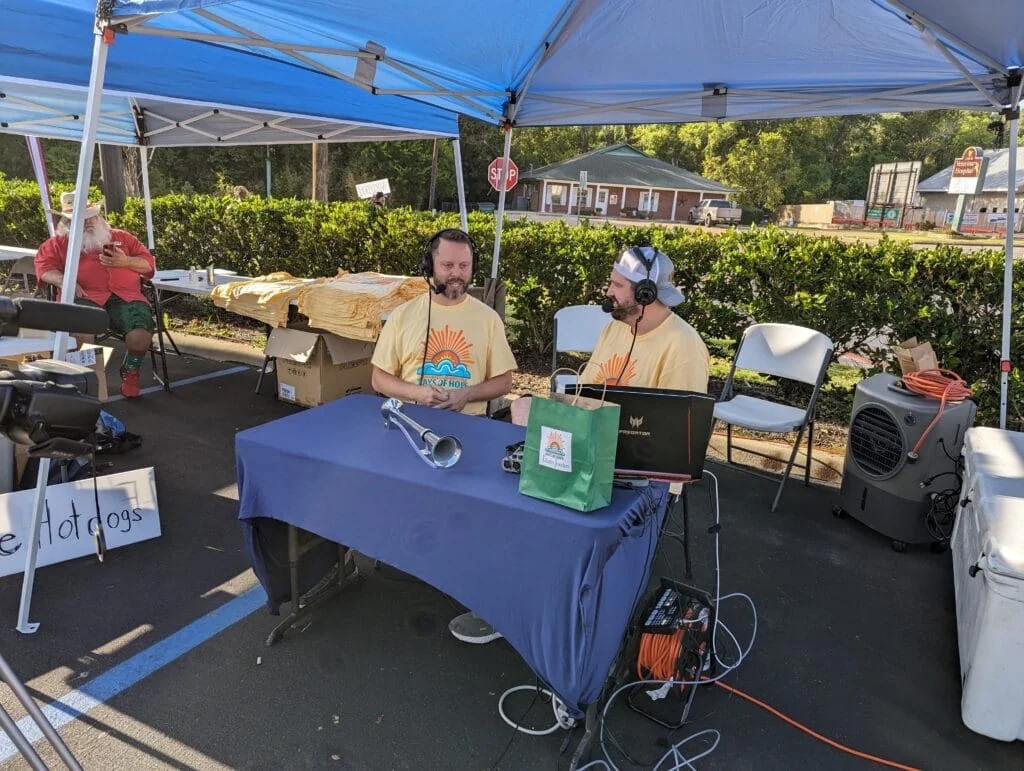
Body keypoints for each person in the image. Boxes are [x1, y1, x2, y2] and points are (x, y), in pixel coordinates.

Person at [370, 228, 517, 645]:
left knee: (469, 520)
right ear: (429, 266)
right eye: (448, 265)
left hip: (470, 433)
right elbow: (379, 378)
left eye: (464, 266)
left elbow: (505, 380)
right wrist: (416, 393)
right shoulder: (405, 316)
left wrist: (468, 393)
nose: (456, 274)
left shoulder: (487, 319)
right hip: (410, 431)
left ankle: (464, 580)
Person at [511, 245, 710, 426]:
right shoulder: (614, 329)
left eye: (617, 285)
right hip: (591, 429)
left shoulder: (684, 346)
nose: (608, 292)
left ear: (645, 294)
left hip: (628, 445)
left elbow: (676, 428)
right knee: (522, 406)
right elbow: (582, 396)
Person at [34, 191, 156, 398]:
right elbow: (44, 268)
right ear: (67, 222)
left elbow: (149, 265)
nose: (89, 222)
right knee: (83, 331)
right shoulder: (57, 244)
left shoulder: (123, 237)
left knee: (141, 335)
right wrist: (65, 281)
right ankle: (88, 381)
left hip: (126, 296)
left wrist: (126, 262)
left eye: (91, 216)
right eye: (82, 218)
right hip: (85, 296)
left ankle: (130, 371)